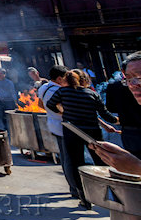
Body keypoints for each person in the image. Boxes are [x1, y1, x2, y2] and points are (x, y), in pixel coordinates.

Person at [47, 69, 119, 209]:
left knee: (76, 163)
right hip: (92, 132)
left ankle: (84, 198)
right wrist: (117, 120)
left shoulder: (62, 92)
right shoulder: (92, 94)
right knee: (101, 161)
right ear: (84, 80)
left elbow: (50, 104)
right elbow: (105, 115)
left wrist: (63, 111)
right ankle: (108, 193)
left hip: (72, 131)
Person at [38, 65, 78, 198]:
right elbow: (63, 108)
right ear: (60, 78)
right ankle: (74, 188)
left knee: (65, 156)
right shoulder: (59, 90)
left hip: (53, 123)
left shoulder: (43, 87)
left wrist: (51, 113)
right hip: (64, 125)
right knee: (69, 158)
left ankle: (73, 185)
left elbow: (40, 105)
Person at [106, 53, 141, 159]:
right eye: (129, 78)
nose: (133, 84)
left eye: (139, 77)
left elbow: (111, 108)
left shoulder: (114, 86)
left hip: (129, 131)